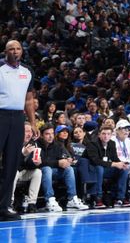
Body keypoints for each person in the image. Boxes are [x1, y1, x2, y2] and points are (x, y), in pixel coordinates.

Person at [0, 40, 39, 221]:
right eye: (11, 49)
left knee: (12, 163)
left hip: (17, 119)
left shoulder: (27, 72)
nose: (15, 52)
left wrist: (32, 122)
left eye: (18, 49)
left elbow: (29, 100)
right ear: (5, 52)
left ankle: (4, 207)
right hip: (1, 115)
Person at [36, 124, 89, 212]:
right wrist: (57, 162)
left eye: (52, 134)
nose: (50, 136)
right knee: (47, 169)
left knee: (69, 169)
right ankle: (50, 200)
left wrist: (66, 161)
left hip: (54, 170)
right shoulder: (37, 144)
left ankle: (72, 198)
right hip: (41, 171)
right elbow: (39, 162)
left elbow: (61, 158)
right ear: (41, 135)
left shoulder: (58, 145)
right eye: (47, 134)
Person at [84, 125, 130, 208]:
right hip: (91, 169)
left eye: (108, 134)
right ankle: (98, 198)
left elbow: (115, 158)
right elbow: (96, 161)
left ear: (111, 135)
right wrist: (114, 164)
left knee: (123, 170)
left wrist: (122, 164)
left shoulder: (112, 143)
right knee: (99, 168)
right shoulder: (92, 144)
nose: (106, 136)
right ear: (99, 134)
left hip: (105, 169)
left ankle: (120, 198)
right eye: (104, 134)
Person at [12, 122, 42, 214]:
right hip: (11, 172)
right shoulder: (12, 143)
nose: (29, 134)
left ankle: (31, 203)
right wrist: (22, 155)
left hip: (23, 172)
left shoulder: (33, 144)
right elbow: (10, 165)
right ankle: (9, 202)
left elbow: (29, 165)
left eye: (30, 132)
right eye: (26, 131)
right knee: (14, 172)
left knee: (37, 172)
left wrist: (36, 163)